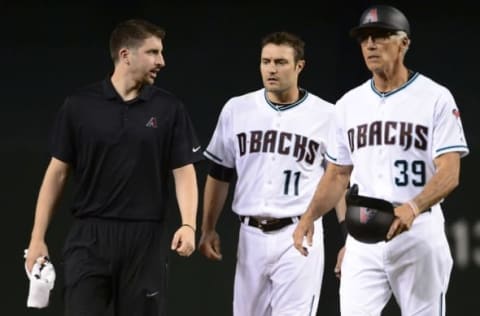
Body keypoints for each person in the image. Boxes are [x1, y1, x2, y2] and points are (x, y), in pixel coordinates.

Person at [293, 4, 469, 316]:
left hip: (418, 231)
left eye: (381, 35)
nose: (371, 44)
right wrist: (309, 216)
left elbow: (450, 172)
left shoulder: (435, 97)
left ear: (405, 43)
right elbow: (336, 175)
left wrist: (413, 206)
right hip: (364, 238)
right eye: (364, 38)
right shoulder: (349, 104)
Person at [25, 19, 203, 316]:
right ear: (125, 55)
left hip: (145, 239)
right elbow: (56, 174)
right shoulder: (79, 105)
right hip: (90, 237)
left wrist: (189, 224)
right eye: (153, 52)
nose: (162, 61)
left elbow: (184, 171)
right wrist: (36, 237)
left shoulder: (169, 108)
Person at [199, 31, 344, 316]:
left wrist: (349, 237)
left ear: (299, 66)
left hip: (299, 233)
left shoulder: (327, 115)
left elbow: (338, 178)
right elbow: (219, 173)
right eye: (266, 61)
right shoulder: (237, 109)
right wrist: (207, 227)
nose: (271, 69)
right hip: (250, 234)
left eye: (280, 62)